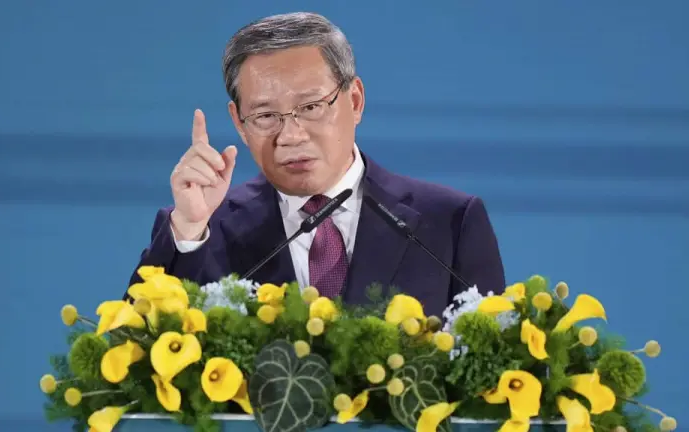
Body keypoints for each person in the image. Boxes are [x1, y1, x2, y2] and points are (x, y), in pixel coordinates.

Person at [128, 12, 505, 316]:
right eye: (265, 116)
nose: (291, 136)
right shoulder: (200, 228)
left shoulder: (450, 222)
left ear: (354, 101)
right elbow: (132, 359)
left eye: (310, 107)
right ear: (239, 124)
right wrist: (190, 231)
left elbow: (495, 364)